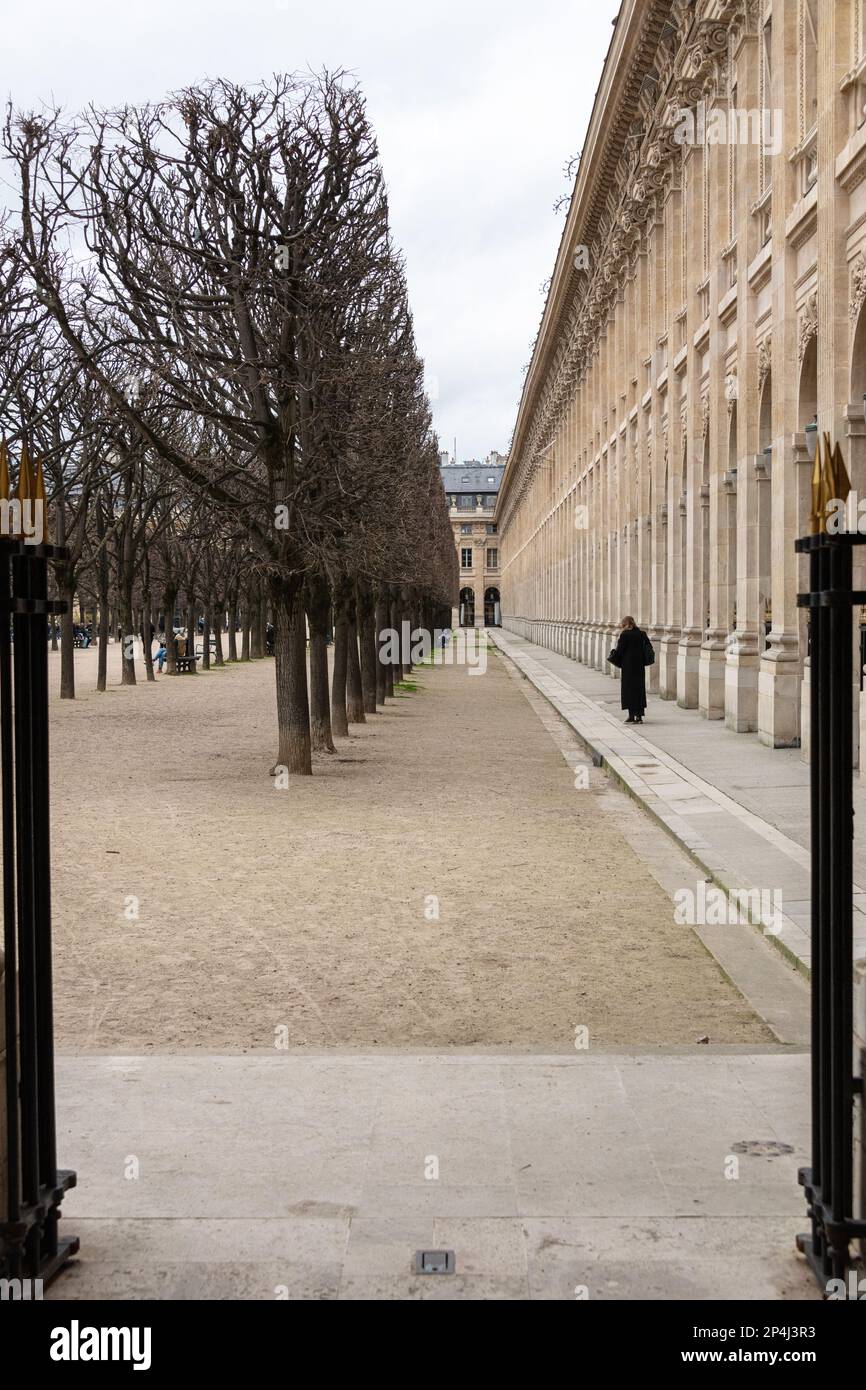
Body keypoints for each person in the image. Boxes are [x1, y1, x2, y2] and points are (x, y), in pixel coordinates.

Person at [608, 616, 652, 724]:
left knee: (629, 690)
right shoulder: (642, 634)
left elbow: (620, 651)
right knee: (639, 690)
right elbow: (648, 647)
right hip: (639, 666)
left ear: (625, 624)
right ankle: (639, 716)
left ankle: (631, 715)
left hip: (628, 667)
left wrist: (613, 655)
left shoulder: (625, 635)